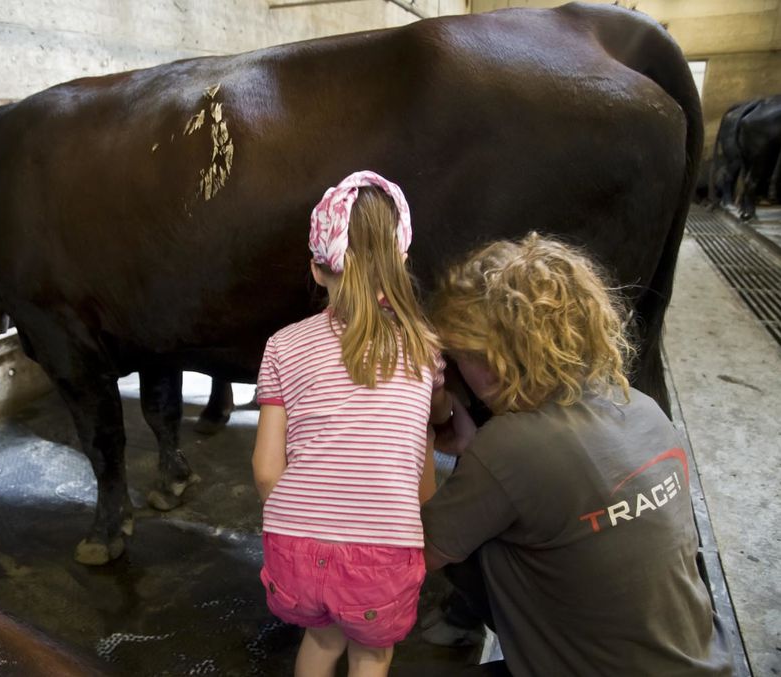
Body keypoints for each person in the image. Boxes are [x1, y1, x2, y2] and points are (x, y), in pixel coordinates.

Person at [422, 233, 733, 676]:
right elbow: (556, 493)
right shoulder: (642, 409)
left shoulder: (511, 446)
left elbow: (413, 555)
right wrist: (474, 451)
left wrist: (418, 447)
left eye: (457, 355)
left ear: (491, 362)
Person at [251, 170, 453, 677]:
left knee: (321, 641)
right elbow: (418, 461)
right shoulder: (424, 348)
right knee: (372, 654)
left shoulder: (282, 345)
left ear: (319, 270)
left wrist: (301, 519)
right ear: (401, 260)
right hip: (383, 550)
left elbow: (265, 469)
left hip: (292, 547)